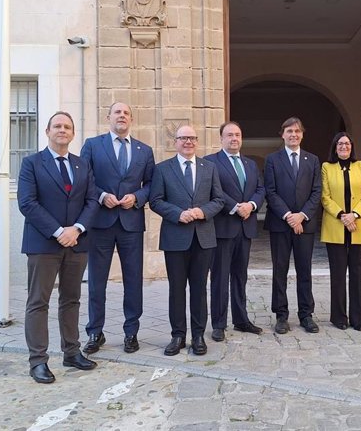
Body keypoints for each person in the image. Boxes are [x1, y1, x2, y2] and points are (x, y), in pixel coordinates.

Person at [17, 111, 99, 384]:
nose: (62, 130)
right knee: (38, 302)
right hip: (43, 244)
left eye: (67, 127)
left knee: (71, 300)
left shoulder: (82, 165)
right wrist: (57, 231)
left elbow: (92, 201)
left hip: (77, 242)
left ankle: (71, 352)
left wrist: (76, 229)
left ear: (73, 134)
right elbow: (27, 203)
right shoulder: (31, 164)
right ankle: (38, 361)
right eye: (57, 126)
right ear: (47, 131)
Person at [80, 102, 155, 355]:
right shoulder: (92, 145)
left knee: (133, 280)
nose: (121, 116)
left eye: (126, 113)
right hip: (101, 222)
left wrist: (137, 197)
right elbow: (84, 179)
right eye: (117, 112)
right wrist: (101, 196)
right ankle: (94, 332)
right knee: (97, 281)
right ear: (108, 117)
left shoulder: (144, 150)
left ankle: (131, 332)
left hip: (131, 222)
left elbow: (151, 185)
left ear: (131, 119)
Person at [149, 125, 224, 355]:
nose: (188, 142)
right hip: (175, 238)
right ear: (176, 142)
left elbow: (219, 199)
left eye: (192, 138)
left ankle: (198, 335)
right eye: (183, 138)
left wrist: (202, 212)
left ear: (197, 141)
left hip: (203, 237)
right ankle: (178, 335)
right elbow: (156, 200)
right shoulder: (162, 169)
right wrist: (178, 214)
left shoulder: (209, 168)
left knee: (200, 289)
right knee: (177, 289)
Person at [204, 121, 266, 342]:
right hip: (223, 228)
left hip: (245, 228)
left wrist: (251, 205)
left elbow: (261, 189)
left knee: (240, 277)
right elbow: (214, 190)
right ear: (221, 138)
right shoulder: (211, 162)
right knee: (220, 277)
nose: (234, 139)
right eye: (229, 135)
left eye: (237, 135)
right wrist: (236, 207)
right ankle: (219, 324)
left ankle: (241, 320)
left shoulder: (249, 164)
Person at [264, 117, 322, 334]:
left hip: (304, 225)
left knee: (304, 270)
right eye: (289, 131)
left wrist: (302, 216)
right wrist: (289, 216)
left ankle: (306, 314)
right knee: (280, 270)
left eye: (297, 131)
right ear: (282, 134)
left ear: (302, 134)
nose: (293, 134)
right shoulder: (273, 159)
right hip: (280, 223)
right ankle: (281, 315)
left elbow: (317, 191)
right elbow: (270, 191)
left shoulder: (312, 160)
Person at [320, 132, 361, 331]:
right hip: (336, 225)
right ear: (335, 147)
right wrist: (343, 215)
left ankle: (359, 318)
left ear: (352, 146)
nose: (344, 147)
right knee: (338, 273)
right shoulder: (327, 167)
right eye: (340, 144)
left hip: (358, 225)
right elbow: (325, 197)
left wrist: (355, 215)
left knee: (357, 272)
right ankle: (339, 317)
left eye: (347, 143)